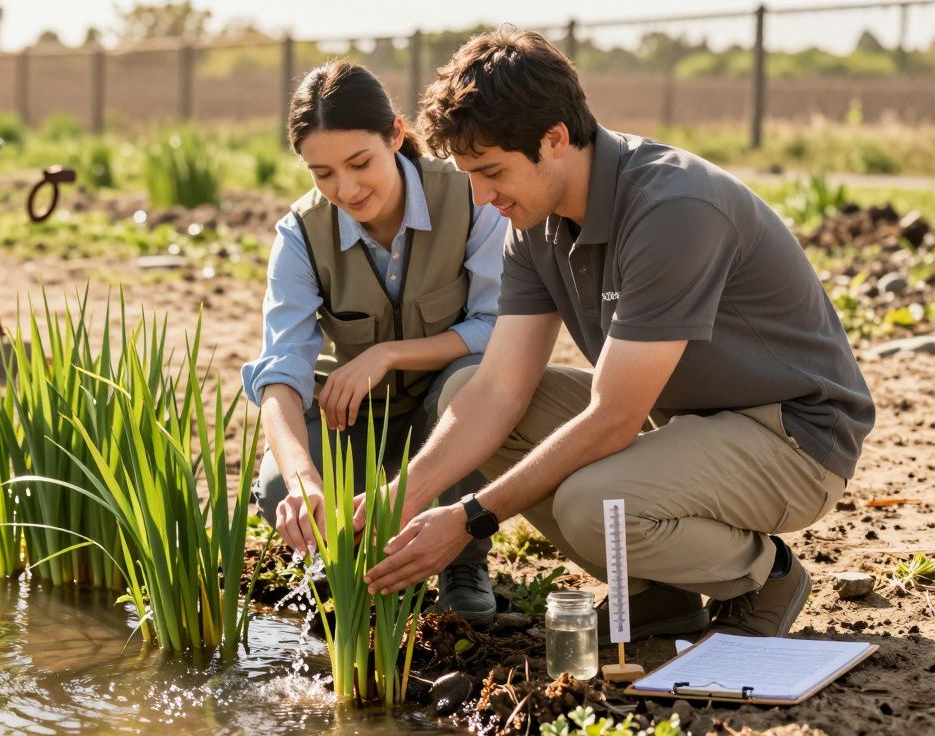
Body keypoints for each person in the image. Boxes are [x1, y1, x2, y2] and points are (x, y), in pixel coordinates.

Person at [359, 29, 874, 642]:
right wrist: (402, 495)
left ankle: (766, 576)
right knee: (465, 388)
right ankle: (658, 596)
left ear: (553, 138)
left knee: (593, 503)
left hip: (792, 438)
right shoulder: (534, 222)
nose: (481, 196)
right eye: (470, 174)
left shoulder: (671, 205)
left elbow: (614, 417)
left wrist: (471, 517)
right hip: (683, 427)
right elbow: (498, 389)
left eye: (492, 170)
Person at [242, 60, 510, 624]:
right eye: (323, 174)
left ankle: (463, 558)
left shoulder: (472, 196)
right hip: (356, 424)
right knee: (273, 481)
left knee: (476, 378)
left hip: (447, 419)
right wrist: (300, 479)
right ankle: (348, 560)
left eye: (360, 163)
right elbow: (279, 371)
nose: (347, 188)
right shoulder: (299, 234)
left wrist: (385, 354)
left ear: (396, 133)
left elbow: (499, 327)